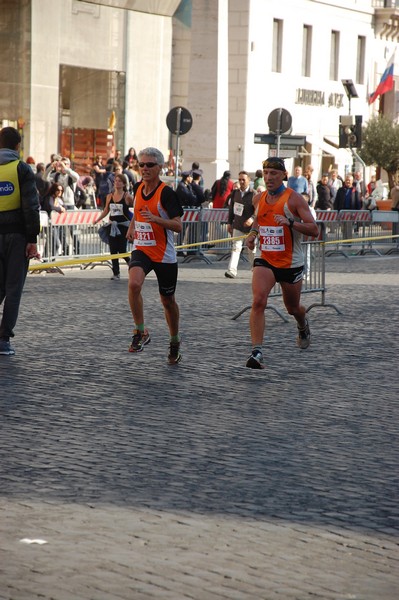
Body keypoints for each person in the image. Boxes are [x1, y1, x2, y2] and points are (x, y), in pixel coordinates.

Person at [245, 156, 319, 369]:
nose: (269, 177)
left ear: (284, 175)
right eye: (266, 173)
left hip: (290, 263)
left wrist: (291, 222)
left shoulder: (294, 199)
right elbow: (259, 220)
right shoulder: (258, 199)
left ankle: (302, 325)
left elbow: (314, 229)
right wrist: (251, 234)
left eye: (274, 174)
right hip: (265, 258)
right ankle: (257, 352)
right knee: (258, 300)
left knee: (293, 307)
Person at [126, 147, 184, 364]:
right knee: (133, 284)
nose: (145, 168)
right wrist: (133, 225)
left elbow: (178, 226)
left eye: (150, 165)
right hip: (142, 248)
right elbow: (139, 210)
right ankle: (141, 331)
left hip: (164, 255)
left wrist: (156, 219)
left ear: (160, 167)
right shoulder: (137, 186)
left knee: (168, 301)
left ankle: (174, 341)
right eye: (141, 164)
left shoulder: (167, 193)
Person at [0, 126, 40, 355]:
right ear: (17, 146)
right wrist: (32, 238)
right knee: (13, 289)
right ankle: (3, 339)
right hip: (17, 237)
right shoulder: (22, 169)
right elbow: (31, 206)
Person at [95, 173, 133, 280]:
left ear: (124, 184)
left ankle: (130, 263)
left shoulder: (127, 196)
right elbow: (106, 210)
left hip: (123, 226)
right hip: (112, 225)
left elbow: (136, 206)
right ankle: (116, 273)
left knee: (122, 249)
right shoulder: (109, 196)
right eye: (115, 181)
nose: (117, 183)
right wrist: (98, 219)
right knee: (113, 249)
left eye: (119, 181)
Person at [225, 171, 256, 279]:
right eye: (240, 180)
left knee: (251, 250)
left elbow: (259, 210)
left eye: (243, 179)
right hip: (237, 225)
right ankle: (231, 271)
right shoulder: (235, 193)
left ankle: (255, 269)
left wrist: (252, 219)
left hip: (251, 228)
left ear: (249, 180)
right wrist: (229, 222)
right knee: (235, 248)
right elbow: (231, 209)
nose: (241, 182)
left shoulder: (254, 193)